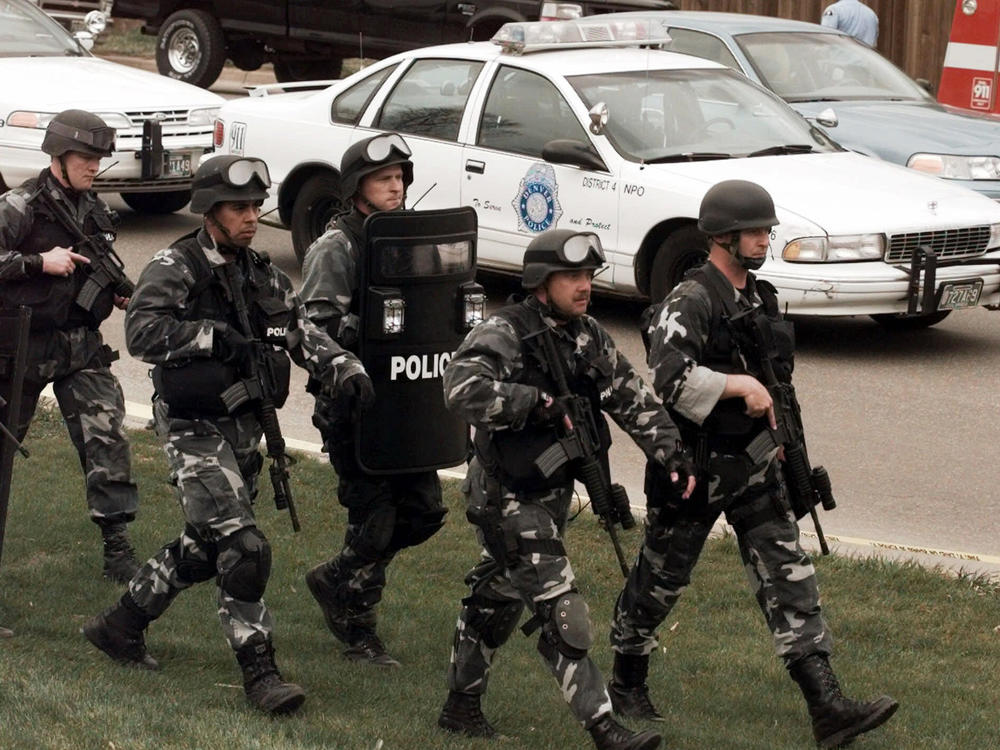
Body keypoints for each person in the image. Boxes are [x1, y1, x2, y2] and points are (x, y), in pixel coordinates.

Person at [609, 180, 898, 748]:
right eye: (754, 231)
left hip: (756, 466)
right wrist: (739, 385)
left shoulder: (756, 298)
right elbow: (668, 379)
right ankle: (626, 678)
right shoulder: (691, 299)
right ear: (722, 236)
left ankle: (828, 707)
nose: (764, 238)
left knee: (790, 577)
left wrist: (784, 440)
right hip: (695, 468)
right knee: (661, 581)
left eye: (766, 229)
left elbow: (777, 383)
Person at [81, 155, 373, 715]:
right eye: (238, 208)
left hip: (242, 429)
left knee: (203, 545)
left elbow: (297, 329)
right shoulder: (176, 265)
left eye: (255, 207)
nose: (250, 217)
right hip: (193, 428)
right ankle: (260, 673)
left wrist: (342, 368)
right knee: (243, 548)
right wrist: (212, 337)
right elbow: (142, 332)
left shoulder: (259, 270)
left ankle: (120, 626)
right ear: (210, 210)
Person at [436, 229, 695, 750]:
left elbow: (629, 395)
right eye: (571, 277)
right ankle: (604, 728)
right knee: (561, 607)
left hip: (549, 493)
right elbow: (459, 388)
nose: (584, 287)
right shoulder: (505, 332)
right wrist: (534, 402)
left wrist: (670, 452)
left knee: (498, 596)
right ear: (540, 283)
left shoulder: (587, 335)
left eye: (587, 277)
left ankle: (459, 708)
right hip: (505, 497)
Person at [299, 132, 447, 668]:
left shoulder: (407, 237)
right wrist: (374, 333)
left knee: (426, 512)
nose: (397, 186)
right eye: (385, 178)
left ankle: (335, 576)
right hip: (354, 403)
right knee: (375, 517)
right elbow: (312, 327)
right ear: (357, 187)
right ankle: (359, 631)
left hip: (409, 399)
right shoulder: (335, 247)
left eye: (401, 177)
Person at [0, 109, 141, 584]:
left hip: (81, 346)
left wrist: (118, 292)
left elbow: (97, 269)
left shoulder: (97, 211)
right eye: (85, 157)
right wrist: (38, 262)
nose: (93, 166)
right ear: (58, 157)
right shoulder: (20, 205)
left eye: (99, 158)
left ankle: (117, 546)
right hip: (20, 346)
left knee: (106, 437)